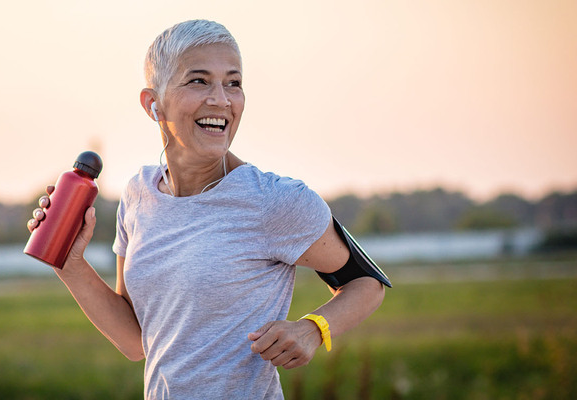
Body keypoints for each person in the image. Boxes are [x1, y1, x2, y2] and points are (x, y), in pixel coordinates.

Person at [28, 19, 387, 399]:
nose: (221, 99)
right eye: (199, 81)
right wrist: (70, 264)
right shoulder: (138, 196)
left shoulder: (274, 200)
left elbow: (367, 284)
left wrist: (313, 329)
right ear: (153, 103)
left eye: (233, 83)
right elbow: (136, 340)